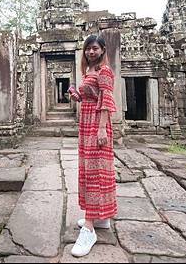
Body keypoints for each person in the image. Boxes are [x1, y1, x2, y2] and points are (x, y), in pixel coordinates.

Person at [68, 34, 117, 257]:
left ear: (103, 50)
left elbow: (106, 100)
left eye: (95, 48)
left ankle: (89, 227)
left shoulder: (104, 71)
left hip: (97, 124)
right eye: (88, 49)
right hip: (86, 122)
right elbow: (92, 96)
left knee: (95, 173)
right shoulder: (89, 71)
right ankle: (101, 218)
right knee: (90, 170)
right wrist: (77, 95)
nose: (91, 52)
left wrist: (101, 129)